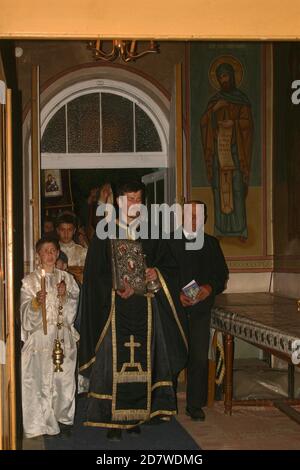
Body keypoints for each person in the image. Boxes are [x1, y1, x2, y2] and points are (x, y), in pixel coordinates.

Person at [78, 180, 188, 441]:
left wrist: (155, 273)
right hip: (114, 312)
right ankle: (112, 421)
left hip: (145, 309)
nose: (134, 204)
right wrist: (115, 287)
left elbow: (170, 267)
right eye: (129, 199)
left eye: (138, 199)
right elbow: (94, 275)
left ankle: (136, 416)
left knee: (143, 361)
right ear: (118, 201)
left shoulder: (151, 230)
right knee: (113, 365)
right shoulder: (105, 231)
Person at [168, 201, 229, 421]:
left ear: (204, 218)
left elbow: (221, 275)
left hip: (201, 310)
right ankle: (166, 403)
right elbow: (162, 274)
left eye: (198, 215)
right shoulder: (169, 242)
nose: (195, 219)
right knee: (172, 356)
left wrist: (208, 288)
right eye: (190, 214)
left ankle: (194, 405)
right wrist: (177, 295)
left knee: (199, 358)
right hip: (175, 309)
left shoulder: (211, 243)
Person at [20, 236, 80, 438]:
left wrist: (66, 295)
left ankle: (64, 419)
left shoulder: (67, 278)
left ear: (57, 253)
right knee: (40, 381)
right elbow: (24, 316)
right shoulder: (29, 281)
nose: (49, 255)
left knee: (64, 380)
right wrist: (36, 303)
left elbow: (72, 309)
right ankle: (41, 423)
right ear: (38, 255)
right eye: (45, 251)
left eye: (53, 251)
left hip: (63, 338)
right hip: (40, 339)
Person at [200, 61, 253, 240]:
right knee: (218, 190)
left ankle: (240, 229)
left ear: (232, 76)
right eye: (220, 77)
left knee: (236, 189)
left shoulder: (241, 100)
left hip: (235, 154)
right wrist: (215, 109)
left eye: (226, 76)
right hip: (219, 156)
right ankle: (220, 229)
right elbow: (204, 123)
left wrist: (235, 124)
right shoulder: (215, 101)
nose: (224, 80)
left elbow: (248, 125)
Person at [56, 212, 87, 284]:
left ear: (74, 231)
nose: (66, 234)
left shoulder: (82, 252)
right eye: (62, 230)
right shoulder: (52, 251)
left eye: (69, 230)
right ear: (57, 230)